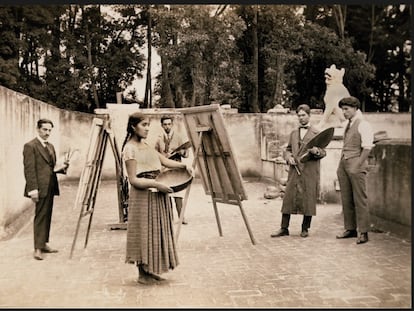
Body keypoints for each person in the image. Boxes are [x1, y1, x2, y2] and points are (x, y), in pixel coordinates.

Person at [121, 112, 191, 285]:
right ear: (133, 127)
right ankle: (142, 273)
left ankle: (150, 271)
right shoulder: (129, 148)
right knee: (143, 232)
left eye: (148, 125)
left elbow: (165, 161)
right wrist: (157, 185)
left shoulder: (146, 145)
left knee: (155, 231)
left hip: (156, 193)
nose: (147, 129)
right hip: (142, 195)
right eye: (143, 125)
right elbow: (133, 179)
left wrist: (185, 166)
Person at [270, 104, 326, 238]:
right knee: (288, 198)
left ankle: (305, 228)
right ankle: (284, 228)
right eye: (299, 115)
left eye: (303, 115)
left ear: (309, 116)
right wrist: (288, 157)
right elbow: (288, 150)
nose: (301, 118)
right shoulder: (294, 133)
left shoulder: (317, 133)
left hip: (309, 170)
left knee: (308, 199)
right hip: (294, 170)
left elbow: (323, 152)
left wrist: (317, 151)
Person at [23, 118, 69, 260]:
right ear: (38, 129)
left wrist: (62, 168)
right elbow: (29, 170)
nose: (47, 133)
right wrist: (33, 190)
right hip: (39, 187)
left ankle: (43, 243)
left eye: (49, 130)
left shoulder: (50, 146)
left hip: (50, 185)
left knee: (47, 214)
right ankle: (37, 248)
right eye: (45, 129)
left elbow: (51, 167)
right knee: (40, 215)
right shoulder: (30, 146)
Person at [336, 96, 374, 244]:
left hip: (356, 165)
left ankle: (363, 232)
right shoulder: (348, 124)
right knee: (346, 198)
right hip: (344, 164)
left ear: (355, 108)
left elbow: (367, 147)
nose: (344, 112)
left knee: (360, 199)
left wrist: (357, 165)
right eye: (343, 109)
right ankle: (350, 229)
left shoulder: (363, 124)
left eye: (347, 109)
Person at [155, 116, 190, 225]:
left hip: (177, 168)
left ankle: (181, 217)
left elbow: (186, 154)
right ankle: (169, 217)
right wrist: (164, 156)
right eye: (165, 124)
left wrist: (180, 152)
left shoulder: (179, 137)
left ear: (172, 124)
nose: (167, 126)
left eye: (169, 124)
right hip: (165, 169)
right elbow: (155, 155)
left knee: (178, 193)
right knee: (167, 192)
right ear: (162, 125)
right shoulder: (158, 139)